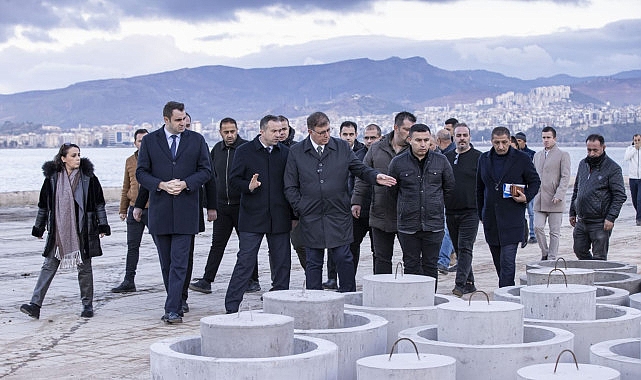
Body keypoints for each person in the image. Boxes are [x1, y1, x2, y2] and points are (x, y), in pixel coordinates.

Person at [284, 111, 396, 292]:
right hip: (311, 214)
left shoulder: (341, 148)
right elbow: (290, 185)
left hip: (337, 212)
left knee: (344, 257)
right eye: (321, 132)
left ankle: (348, 296)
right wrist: (300, 207)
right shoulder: (296, 152)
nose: (326, 135)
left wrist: (375, 176)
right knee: (313, 261)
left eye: (328, 130)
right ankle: (315, 299)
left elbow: (360, 169)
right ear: (310, 131)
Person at [136, 101, 211, 324]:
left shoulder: (196, 140)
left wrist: (186, 184)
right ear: (166, 119)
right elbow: (141, 173)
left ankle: (173, 309)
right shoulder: (150, 141)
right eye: (178, 120)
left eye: (184, 119)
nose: (183, 123)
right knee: (167, 263)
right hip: (160, 211)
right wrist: (160, 185)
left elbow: (206, 171)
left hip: (187, 210)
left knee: (180, 262)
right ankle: (176, 300)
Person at [21, 143, 111, 319]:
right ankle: (35, 305)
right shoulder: (53, 178)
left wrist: (102, 226)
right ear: (63, 158)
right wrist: (39, 228)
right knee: (48, 266)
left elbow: (99, 203)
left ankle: (87, 306)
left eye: (79, 155)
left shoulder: (88, 177)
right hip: (58, 232)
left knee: (84, 269)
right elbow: (43, 206)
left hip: (83, 229)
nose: (78, 158)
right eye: (73, 155)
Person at [224, 115, 292, 313]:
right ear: (262, 131)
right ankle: (231, 306)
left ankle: (281, 302)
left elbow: (292, 184)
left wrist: (294, 215)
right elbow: (233, 181)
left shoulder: (286, 153)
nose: (279, 134)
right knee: (245, 261)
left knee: (282, 263)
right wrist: (249, 186)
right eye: (274, 131)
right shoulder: (244, 151)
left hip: (279, 216)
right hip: (252, 216)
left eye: (281, 131)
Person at [189, 117, 262, 294]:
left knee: (247, 245)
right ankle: (207, 280)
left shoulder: (246, 149)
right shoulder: (217, 150)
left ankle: (253, 280)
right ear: (220, 133)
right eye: (226, 132)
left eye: (232, 131)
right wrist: (210, 205)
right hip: (222, 206)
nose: (230, 135)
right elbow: (210, 178)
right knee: (217, 244)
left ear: (238, 130)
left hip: (242, 206)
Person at [388, 124, 454, 284]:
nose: (423, 144)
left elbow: (449, 188)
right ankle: (413, 301)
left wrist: (435, 204)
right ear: (410, 140)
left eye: (426, 140)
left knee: (431, 265)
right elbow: (392, 191)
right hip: (408, 225)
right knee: (411, 265)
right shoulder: (397, 163)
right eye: (418, 140)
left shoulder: (441, 161)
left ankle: (430, 300)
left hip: (434, 224)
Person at [477, 127, 540, 288]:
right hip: (491, 219)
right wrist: (481, 214)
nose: (500, 146)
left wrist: (526, 196)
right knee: (498, 263)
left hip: (512, 218)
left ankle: (505, 295)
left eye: (504, 142)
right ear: (491, 141)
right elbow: (479, 188)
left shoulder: (522, 159)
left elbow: (535, 182)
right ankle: (506, 289)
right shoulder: (484, 159)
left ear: (510, 141)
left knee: (507, 262)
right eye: (497, 143)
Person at [352, 112, 414, 274]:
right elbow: (363, 175)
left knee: (412, 258)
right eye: (407, 129)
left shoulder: (415, 150)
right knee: (381, 257)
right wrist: (356, 201)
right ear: (396, 128)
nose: (410, 134)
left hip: (407, 215)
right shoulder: (376, 148)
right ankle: (381, 294)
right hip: (381, 212)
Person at [323, 120, 366, 290]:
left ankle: (348, 279)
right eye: (345, 134)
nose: (348, 138)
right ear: (339, 134)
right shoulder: (332, 150)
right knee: (333, 244)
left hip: (354, 204)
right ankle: (332, 277)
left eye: (351, 134)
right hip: (336, 204)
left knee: (350, 246)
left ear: (356, 135)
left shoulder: (361, 152)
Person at [569, 134, 626, 260]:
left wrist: (611, 217)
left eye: (595, 150)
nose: (592, 153)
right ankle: (589, 273)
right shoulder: (583, 164)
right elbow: (577, 189)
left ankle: (598, 276)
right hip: (582, 220)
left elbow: (620, 195)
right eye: (589, 150)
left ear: (603, 147)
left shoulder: (613, 168)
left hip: (600, 222)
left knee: (599, 257)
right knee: (579, 250)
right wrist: (572, 212)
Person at [444, 123, 482, 297]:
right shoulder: (447, 157)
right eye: (458, 135)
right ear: (454, 137)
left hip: (471, 210)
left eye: (465, 135)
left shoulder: (479, 157)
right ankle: (470, 283)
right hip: (451, 210)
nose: (462, 139)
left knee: (465, 247)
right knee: (459, 249)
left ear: (470, 137)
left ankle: (459, 285)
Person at [112, 129, 148, 293]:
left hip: (151, 209)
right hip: (133, 208)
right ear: (135, 143)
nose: (142, 143)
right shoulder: (129, 161)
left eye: (145, 140)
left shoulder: (156, 159)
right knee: (132, 246)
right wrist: (123, 209)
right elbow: (126, 185)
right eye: (140, 140)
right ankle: (128, 280)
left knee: (163, 246)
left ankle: (170, 280)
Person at [532, 126, 571, 261]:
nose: (546, 140)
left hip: (555, 199)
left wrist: (559, 194)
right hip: (539, 198)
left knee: (555, 232)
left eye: (548, 137)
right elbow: (533, 177)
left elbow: (565, 177)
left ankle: (552, 258)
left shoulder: (563, 155)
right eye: (544, 138)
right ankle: (545, 252)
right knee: (537, 227)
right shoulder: (537, 156)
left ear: (554, 138)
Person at [277, 115, 308, 271]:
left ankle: (312, 277)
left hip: (296, 208)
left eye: (284, 129)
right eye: (278, 129)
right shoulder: (268, 151)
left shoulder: (298, 149)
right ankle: (279, 284)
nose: (281, 133)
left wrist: (297, 210)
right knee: (277, 250)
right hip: (276, 208)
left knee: (300, 245)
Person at [515, 131, 537, 244]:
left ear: (524, 142)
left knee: (532, 212)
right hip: (518, 188)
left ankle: (532, 235)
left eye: (519, 141)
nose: (517, 143)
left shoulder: (532, 154)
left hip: (529, 188)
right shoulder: (513, 154)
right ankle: (522, 234)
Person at [624, 134, 641, 226]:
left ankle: (639, 220)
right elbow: (626, 158)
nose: (637, 142)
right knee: (634, 200)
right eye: (635, 140)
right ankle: (639, 214)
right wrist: (635, 149)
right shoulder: (630, 149)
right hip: (633, 178)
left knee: (639, 199)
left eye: (639, 140)